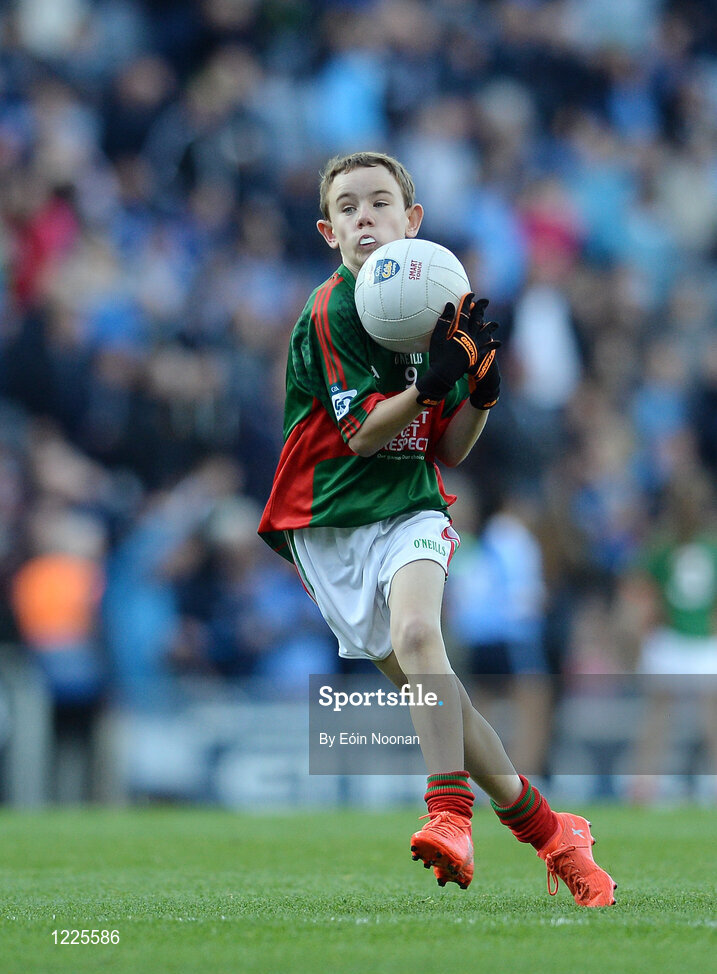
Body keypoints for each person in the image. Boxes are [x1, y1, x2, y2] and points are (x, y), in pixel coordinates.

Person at [258, 151, 616, 906]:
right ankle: (555, 834)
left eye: (380, 203)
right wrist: (432, 383)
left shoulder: (440, 307)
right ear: (329, 232)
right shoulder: (332, 311)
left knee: (423, 639)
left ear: (411, 220)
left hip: (409, 506)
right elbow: (357, 436)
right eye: (347, 208)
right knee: (442, 703)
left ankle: (449, 816)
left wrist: (479, 392)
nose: (365, 218)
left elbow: (448, 450)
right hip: (326, 522)